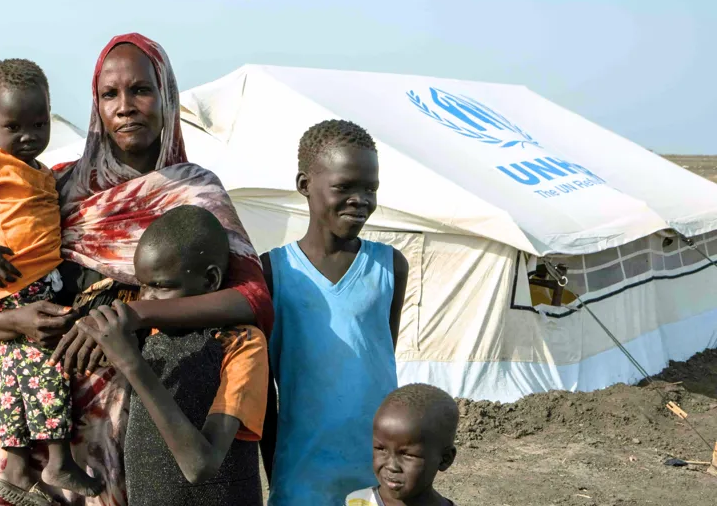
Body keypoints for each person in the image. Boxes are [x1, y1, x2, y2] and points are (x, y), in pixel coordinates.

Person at [0, 33, 273, 506]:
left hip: (132, 416)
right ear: (96, 106)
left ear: (166, 95)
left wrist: (137, 315)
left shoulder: (193, 195)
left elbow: (250, 299)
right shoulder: (52, 187)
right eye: (110, 94)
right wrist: (10, 320)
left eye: (141, 90)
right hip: (38, 424)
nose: (125, 106)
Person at [0, 58, 103, 503]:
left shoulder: (45, 173)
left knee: (17, 371)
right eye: (15, 126)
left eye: (39, 122)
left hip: (34, 282)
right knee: (49, 362)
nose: (29, 135)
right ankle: (58, 461)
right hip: (8, 282)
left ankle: (13, 469)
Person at [261, 119, 409, 506]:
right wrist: (273, 470)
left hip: (376, 473)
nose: (360, 199)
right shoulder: (275, 272)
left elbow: (378, 362)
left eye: (370, 189)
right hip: (301, 475)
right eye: (344, 187)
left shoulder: (389, 267)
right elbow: (264, 388)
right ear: (305, 184)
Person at [77, 205, 268, 505]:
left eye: (160, 287)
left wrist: (131, 363)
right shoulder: (154, 334)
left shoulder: (241, 343)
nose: (146, 300)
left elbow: (200, 466)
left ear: (209, 281)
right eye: (142, 286)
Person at [345, 383, 458, 506]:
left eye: (407, 455)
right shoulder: (357, 502)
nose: (392, 466)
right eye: (381, 449)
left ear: (445, 459)